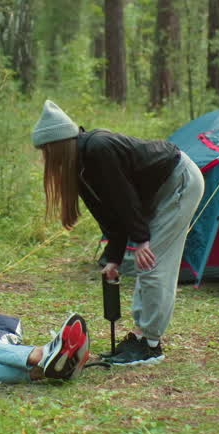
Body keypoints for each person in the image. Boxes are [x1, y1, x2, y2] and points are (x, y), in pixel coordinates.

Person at [32, 100, 205, 365]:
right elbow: (109, 214)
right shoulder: (80, 167)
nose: (45, 159)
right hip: (156, 192)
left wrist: (142, 240)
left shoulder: (98, 149)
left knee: (153, 264)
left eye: (46, 151)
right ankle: (139, 336)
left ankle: (150, 344)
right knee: (143, 265)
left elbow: (125, 198)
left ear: (57, 145)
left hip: (178, 182)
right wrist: (113, 256)